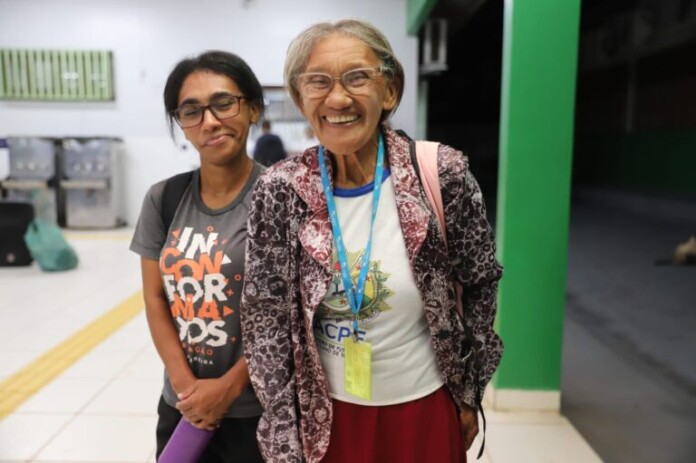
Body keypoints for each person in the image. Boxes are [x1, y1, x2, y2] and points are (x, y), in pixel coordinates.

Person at [240, 19, 503, 463]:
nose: (338, 98)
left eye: (357, 77)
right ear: (302, 99)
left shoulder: (441, 174)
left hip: (424, 407)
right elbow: (264, 317)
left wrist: (468, 390)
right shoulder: (281, 190)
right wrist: (284, 429)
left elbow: (480, 283)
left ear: (390, 91)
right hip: (325, 419)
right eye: (318, 82)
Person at [129, 50, 265, 462]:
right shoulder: (164, 198)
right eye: (191, 111)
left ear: (253, 109)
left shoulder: (279, 198)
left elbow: (291, 313)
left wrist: (228, 388)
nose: (210, 121)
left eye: (224, 103)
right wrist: (186, 388)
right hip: (182, 407)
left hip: (256, 411)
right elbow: (156, 297)